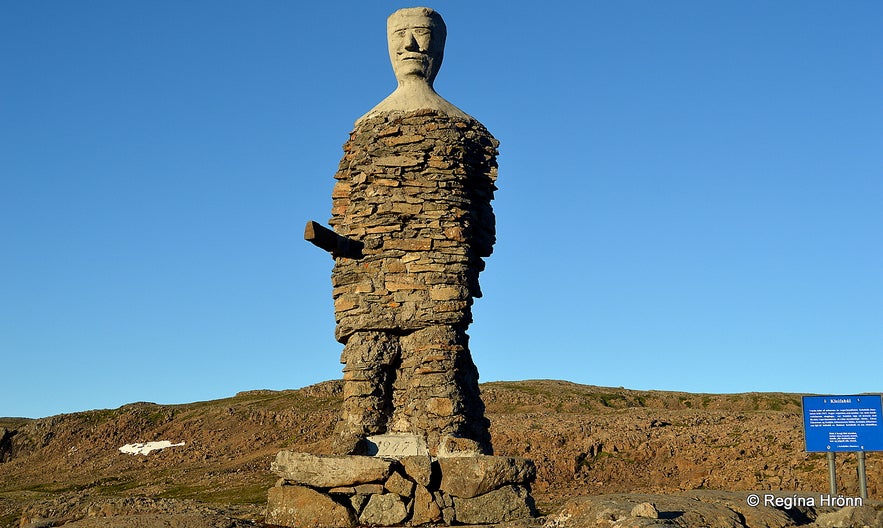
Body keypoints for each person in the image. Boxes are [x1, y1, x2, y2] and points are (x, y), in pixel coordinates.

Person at [358, 7, 470, 123]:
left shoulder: (458, 121)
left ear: (439, 44)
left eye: (420, 31)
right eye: (400, 34)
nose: (409, 44)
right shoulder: (370, 122)